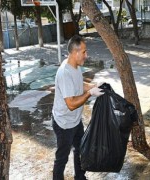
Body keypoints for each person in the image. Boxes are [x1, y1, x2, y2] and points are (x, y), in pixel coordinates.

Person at [52, 35, 104, 180]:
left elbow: (79, 85)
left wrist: (94, 87)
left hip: (75, 121)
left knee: (80, 150)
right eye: (84, 52)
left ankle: (80, 177)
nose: (86, 55)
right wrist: (89, 93)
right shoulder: (64, 73)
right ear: (75, 53)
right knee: (62, 158)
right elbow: (71, 104)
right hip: (64, 123)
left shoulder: (75, 67)